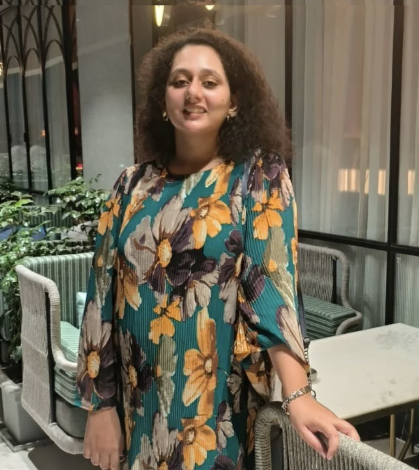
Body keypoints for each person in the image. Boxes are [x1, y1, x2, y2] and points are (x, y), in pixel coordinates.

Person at [76, 27, 360, 470]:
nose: (194, 92)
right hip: (136, 407)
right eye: (180, 81)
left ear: (234, 102)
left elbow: (271, 286)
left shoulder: (257, 177)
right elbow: (101, 297)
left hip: (214, 414)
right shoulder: (130, 184)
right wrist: (100, 407)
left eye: (209, 82)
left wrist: (299, 394)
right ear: (163, 100)